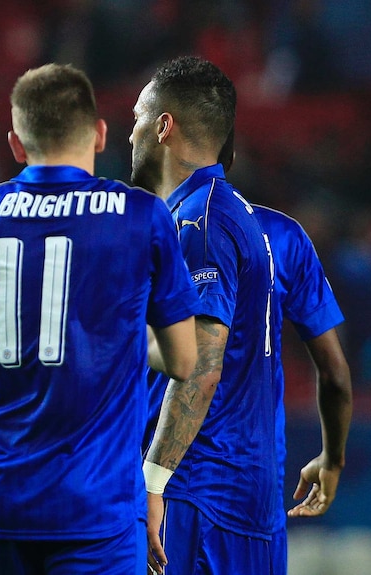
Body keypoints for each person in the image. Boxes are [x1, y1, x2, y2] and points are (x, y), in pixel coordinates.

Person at [0, 63, 200, 575]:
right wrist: (119, 336)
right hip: (95, 510)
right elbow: (183, 359)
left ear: (17, 144)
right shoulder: (142, 215)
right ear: (101, 134)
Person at [131, 56, 276, 574]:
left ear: (163, 126)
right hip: (227, 488)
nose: (131, 136)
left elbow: (200, 362)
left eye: (136, 120)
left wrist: (153, 480)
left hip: (194, 490)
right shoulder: (225, 212)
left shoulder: (200, 223)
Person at [220, 134, 353, 573]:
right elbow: (335, 373)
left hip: (167, 483)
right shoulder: (284, 235)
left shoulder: (149, 230)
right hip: (256, 488)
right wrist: (332, 458)